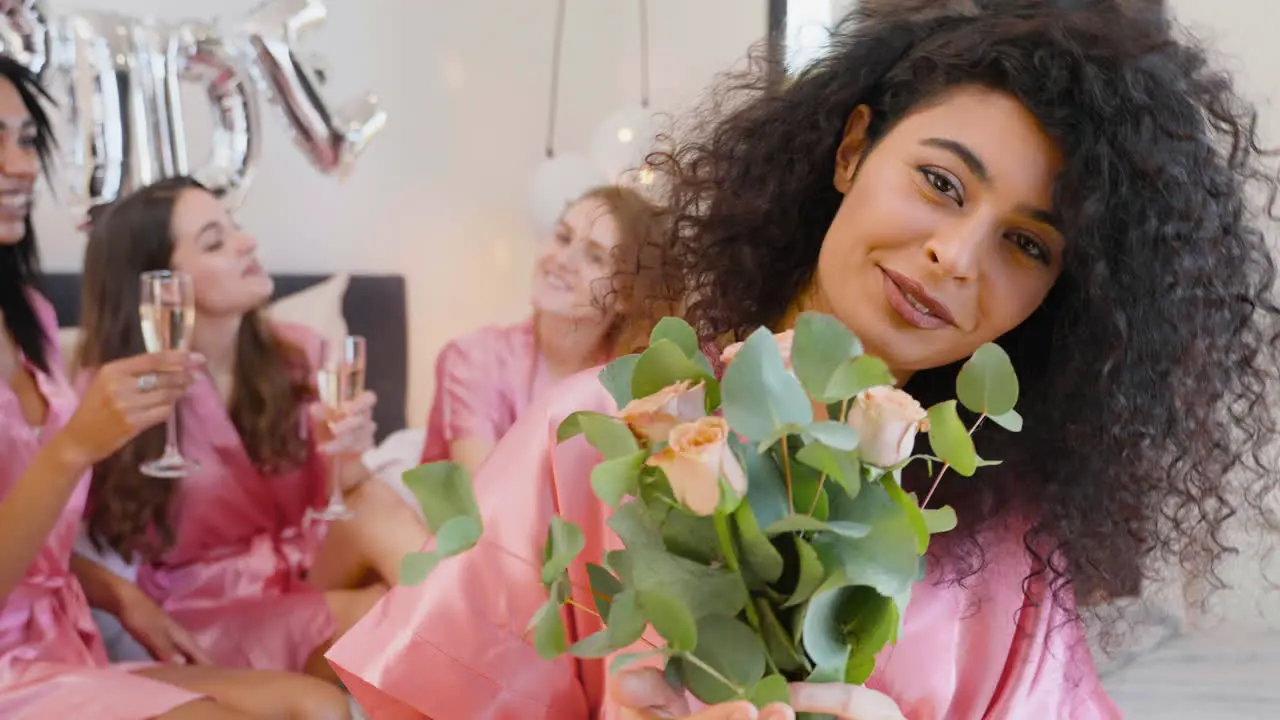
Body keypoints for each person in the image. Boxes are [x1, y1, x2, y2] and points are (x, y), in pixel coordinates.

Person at [328, 1, 1280, 718]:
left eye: (1027, 245)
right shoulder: (601, 432)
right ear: (852, 150)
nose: (958, 254)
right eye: (941, 183)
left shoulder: (1004, 550)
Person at [0, 56, 350, 718]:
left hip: (61, 643)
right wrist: (73, 449)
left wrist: (117, 597)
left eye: (24, 139)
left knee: (318, 707)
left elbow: (35, 544)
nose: (21, 166)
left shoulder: (31, 318)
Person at [75, 177, 428, 682]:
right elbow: (49, 542)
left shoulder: (302, 355)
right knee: (386, 615)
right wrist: (124, 599)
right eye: (215, 242)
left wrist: (348, 452)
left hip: (309, 568)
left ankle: (497, 649)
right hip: (209, 611)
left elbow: (345, 494)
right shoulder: (112, 393)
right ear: (157, 283)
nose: (248, 243)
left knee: (376, 511)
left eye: (235, 228)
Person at [421, 184, 669, 473]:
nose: (562, 260)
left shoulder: (634, 387)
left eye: (595, 256)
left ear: (626, 295)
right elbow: (483, 507)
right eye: (563, 237)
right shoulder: (473, 358)